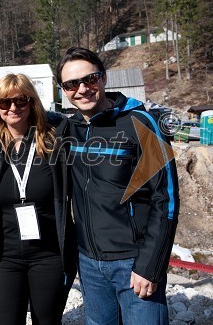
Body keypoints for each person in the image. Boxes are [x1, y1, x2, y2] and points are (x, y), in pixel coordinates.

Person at [56, 47, 180, 324]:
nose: (82, 89)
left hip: (133, 262)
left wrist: (150, 265)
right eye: (71, 84)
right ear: (63, 90)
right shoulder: (68, 128)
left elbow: (166, 199)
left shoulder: (139, 122)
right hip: (88, 263)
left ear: (104, 79)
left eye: (90, 79)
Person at [0, 73, 77, 325]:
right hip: (4, 256)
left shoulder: (56, 140)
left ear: (32, 102)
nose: (13, 108)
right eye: (4, 102)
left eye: (21, 101)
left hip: (48, 254)